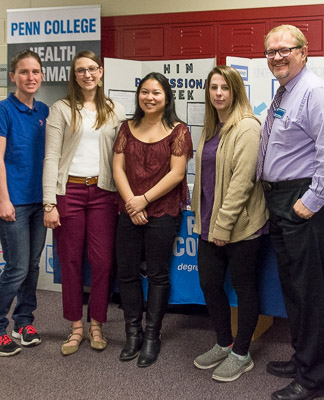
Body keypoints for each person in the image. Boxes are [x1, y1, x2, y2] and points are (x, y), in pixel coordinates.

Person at [260, 25, 324, 400]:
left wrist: (309, 202)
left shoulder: (314, 93)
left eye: (285, 49)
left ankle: (314, 379)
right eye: (271, 51)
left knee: (308, 290)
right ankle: (302, 359)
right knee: (294, 288)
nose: (277, 56)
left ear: (304, 51)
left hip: (302, 199)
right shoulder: (285, 92)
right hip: (281, 197)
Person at [43, 50, 125, 356]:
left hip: (103, 192)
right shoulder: (61, 109)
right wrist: (48, 202)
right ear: (74, 76)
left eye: (92, 69)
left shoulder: (115, 110)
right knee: (71, 262)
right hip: (70, 192)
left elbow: (122, 155)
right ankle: (76, 326)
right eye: (81, 70)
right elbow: (51, 157)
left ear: (101, 72)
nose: (87, 75)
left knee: (103, 262)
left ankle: (97, 323)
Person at [191, 65, 268, 382]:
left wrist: (222, 228)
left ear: (235, 91)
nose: (218, 93)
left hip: (242, 227)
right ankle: (224, 343)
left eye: (224, 87)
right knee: (209, 284)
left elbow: (242, 184)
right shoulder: (211, 127)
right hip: (209, 224)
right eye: (213, 88)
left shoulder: (248, 128)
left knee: (244, 288)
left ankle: (242, 353)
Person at [113, 72, 193, 368]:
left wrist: (143, 200)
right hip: (128, 210)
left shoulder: (179, 130)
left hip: (163, 211)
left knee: (158, 275)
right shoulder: (126, 128)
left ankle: (151, 336)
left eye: (156, 92)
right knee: (128, 274)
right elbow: (118, 168)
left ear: (167, 97)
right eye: (144, 92)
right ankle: (132, 334)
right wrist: (132, 204)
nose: (149, 97)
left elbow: (177, 174)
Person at [0, 50, 48, 356]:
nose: (30, 77)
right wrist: (3, 200)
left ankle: (23, 322)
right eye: (24, 72)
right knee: (16, 268)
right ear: (13, 77)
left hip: (39, 201)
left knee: (32, 267)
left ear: (42, 76)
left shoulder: (44, 111)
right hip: (14, 203)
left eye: (35, 72)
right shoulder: (1, 111)